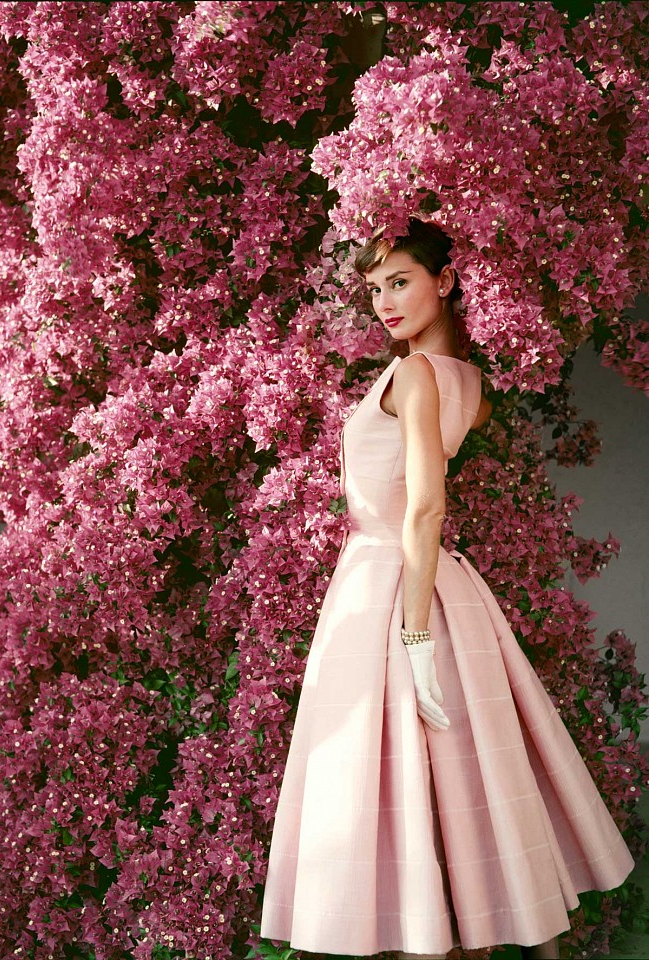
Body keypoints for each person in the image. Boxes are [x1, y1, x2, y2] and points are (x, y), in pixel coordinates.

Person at [259, 218, 635, 960]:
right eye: (374, 289)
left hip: (391, 583)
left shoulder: (416, 375)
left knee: (387, 776)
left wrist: (415, 631)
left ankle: (418, 934)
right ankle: (480, 925)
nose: (385, 302)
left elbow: (426, 505)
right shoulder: (471, 383)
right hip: (432, 580)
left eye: (400, 281)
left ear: (446, 281)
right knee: (463, 773)